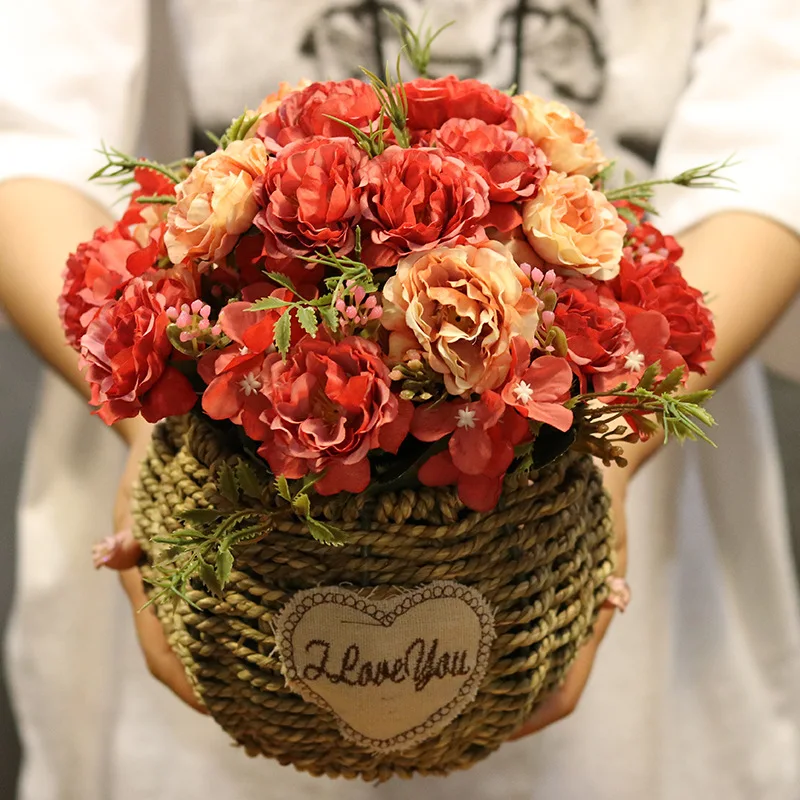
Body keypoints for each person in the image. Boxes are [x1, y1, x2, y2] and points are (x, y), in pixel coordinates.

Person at [1, 1, 799, 799]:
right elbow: (29, 132)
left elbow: (773, 138)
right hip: (219, 494)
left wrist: (611, 438)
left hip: (595, 488)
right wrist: (164, 439)